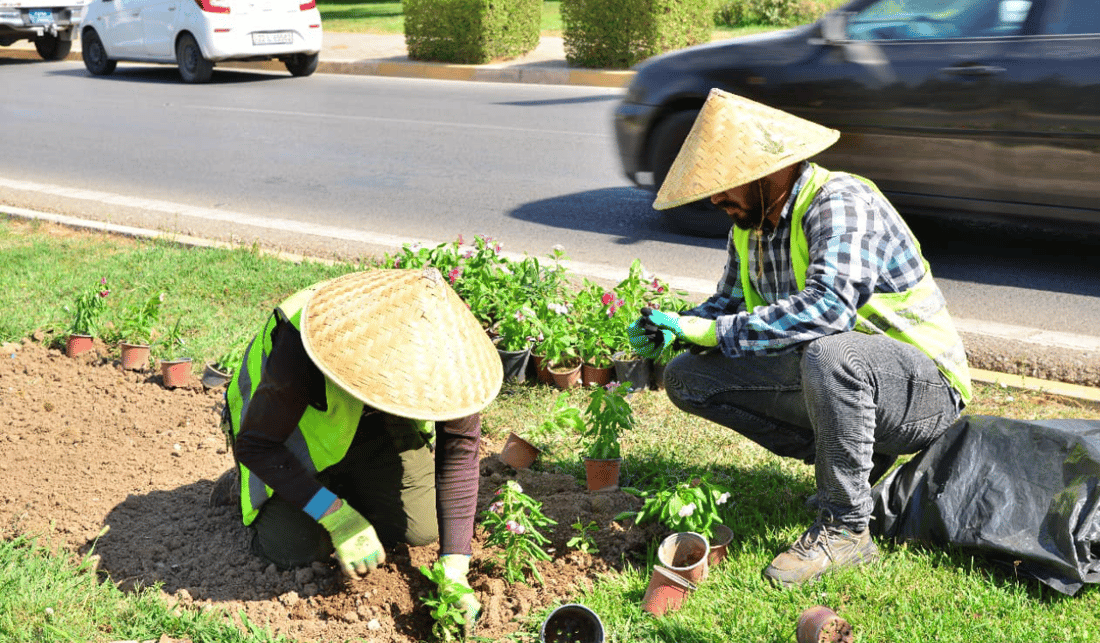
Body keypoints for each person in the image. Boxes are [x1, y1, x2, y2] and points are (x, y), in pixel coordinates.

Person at [628, 88, 972, 588]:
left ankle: (847, 528)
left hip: (924, 391)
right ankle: (855, 463)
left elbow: (828, 310)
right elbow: (727, 306)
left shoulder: (842, 202)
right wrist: (678, 326)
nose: (715, 199)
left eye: (725, 186)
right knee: (689, 378)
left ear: (768, 172)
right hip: (845, 379)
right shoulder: (749, 226)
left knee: (833, 354)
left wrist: (715, 331)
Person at [219, 267, 502, 624]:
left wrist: (455, 563)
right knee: (300, 548)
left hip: (376, 433)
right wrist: (337, 516)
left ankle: (347, 490)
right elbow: (258, 445)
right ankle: (246, 487)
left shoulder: (456, 355)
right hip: (288, 439)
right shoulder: (306, 335)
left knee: (422, 530)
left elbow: (460, 448)